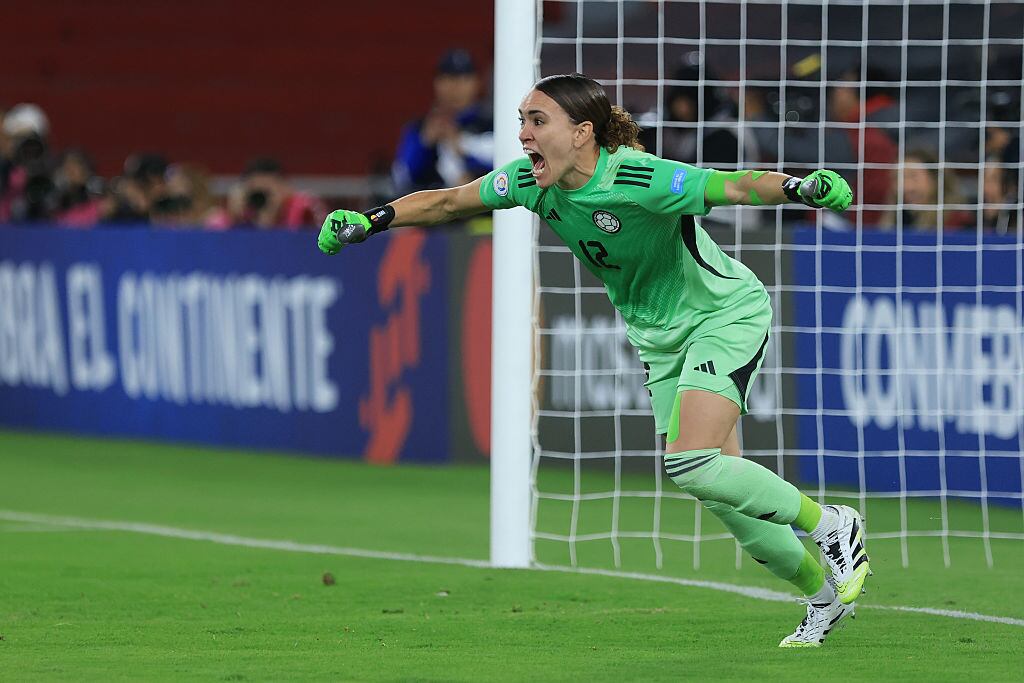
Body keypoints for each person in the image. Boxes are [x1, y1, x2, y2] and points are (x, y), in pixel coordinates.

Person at [317, 74, 867, 647]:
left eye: (538, 121)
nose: (524, 135)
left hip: (723, 315)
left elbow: (730, 188)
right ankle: (821, 595)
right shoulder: (532, 183)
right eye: (522, 121)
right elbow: (450, 200)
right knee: (720, 492)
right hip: (659, 340)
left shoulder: (635, 176)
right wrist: (371, 219)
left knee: (691, 463)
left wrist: (801, 188)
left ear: (582, 133)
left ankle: (833, 526)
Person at [391, 49, 494, 194]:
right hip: (430, 210)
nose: (455, 88)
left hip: (480, 211)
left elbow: (502, 169)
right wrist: (426, 144)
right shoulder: (419, 128)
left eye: (464, 79)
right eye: (448, 79)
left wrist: (461, 147)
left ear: (477, 83)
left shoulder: (491, 124)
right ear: (437, 83)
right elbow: (402, 177)